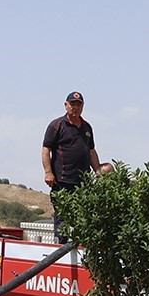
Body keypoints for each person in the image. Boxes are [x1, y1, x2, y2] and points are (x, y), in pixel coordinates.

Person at [41, 90, 110, 239]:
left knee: (82, 220)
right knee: (63, 221)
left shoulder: (87, 127)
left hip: (82, 184)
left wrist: (98, 170)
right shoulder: (57, 125)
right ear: (66, 105)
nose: (75, 107)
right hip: (62, 182)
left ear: (83, 107)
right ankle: (61, 252)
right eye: (72, 104)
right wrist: (48, 172)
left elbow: (91, 151)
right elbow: (46, 149)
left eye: (79, 104)